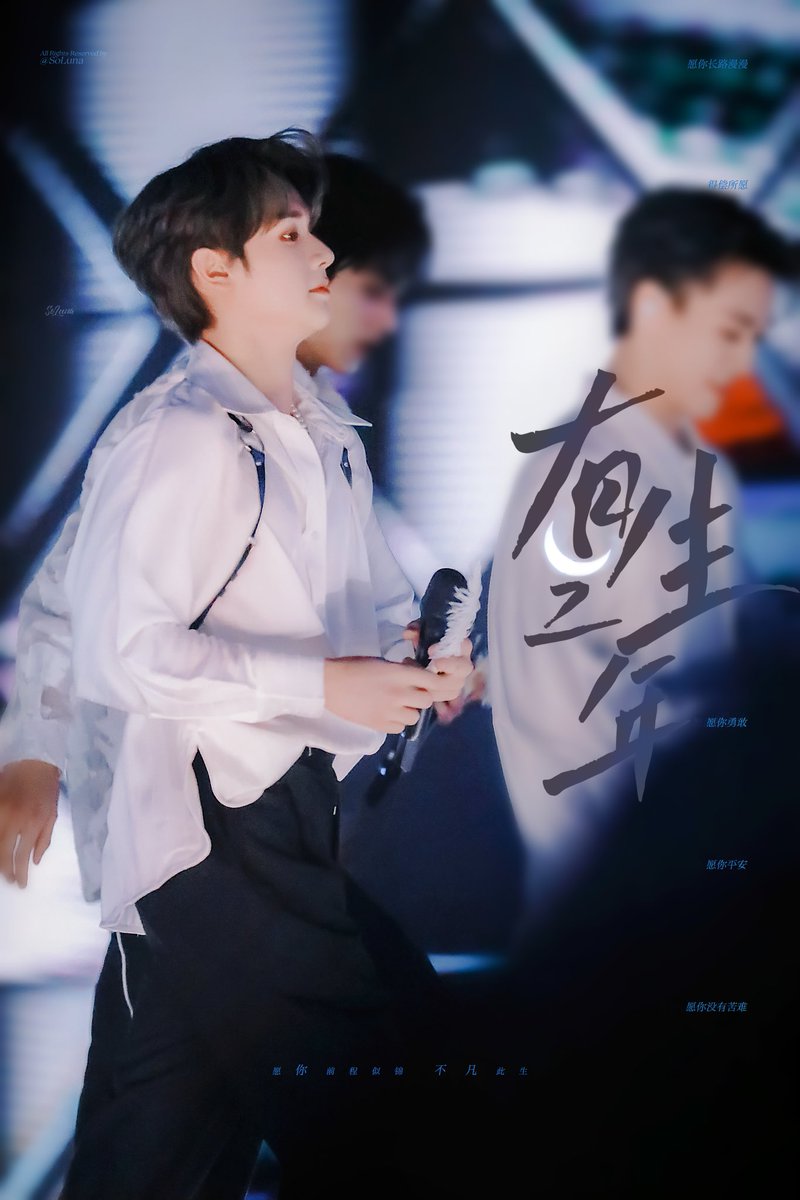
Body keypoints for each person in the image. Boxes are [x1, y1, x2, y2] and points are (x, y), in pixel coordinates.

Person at [0, 130, 473, 1198]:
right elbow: (105, 631)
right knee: (400, 1124)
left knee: (150, 1156)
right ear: (216, 271)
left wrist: (415, 661)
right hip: (213, 825)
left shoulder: (322, 433)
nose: (328, 259)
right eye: (295, 236)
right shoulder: (181, 436)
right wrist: (35, 751)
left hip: (279, 816)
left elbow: (361, 613)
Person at [487, 187, 799, 945]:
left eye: (754, 336)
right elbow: (564, 729)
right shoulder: (582, 475)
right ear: (653, 302)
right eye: (729, 331)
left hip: (691, 890)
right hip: (620, 917)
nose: (743, 362)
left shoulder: (698, 466)